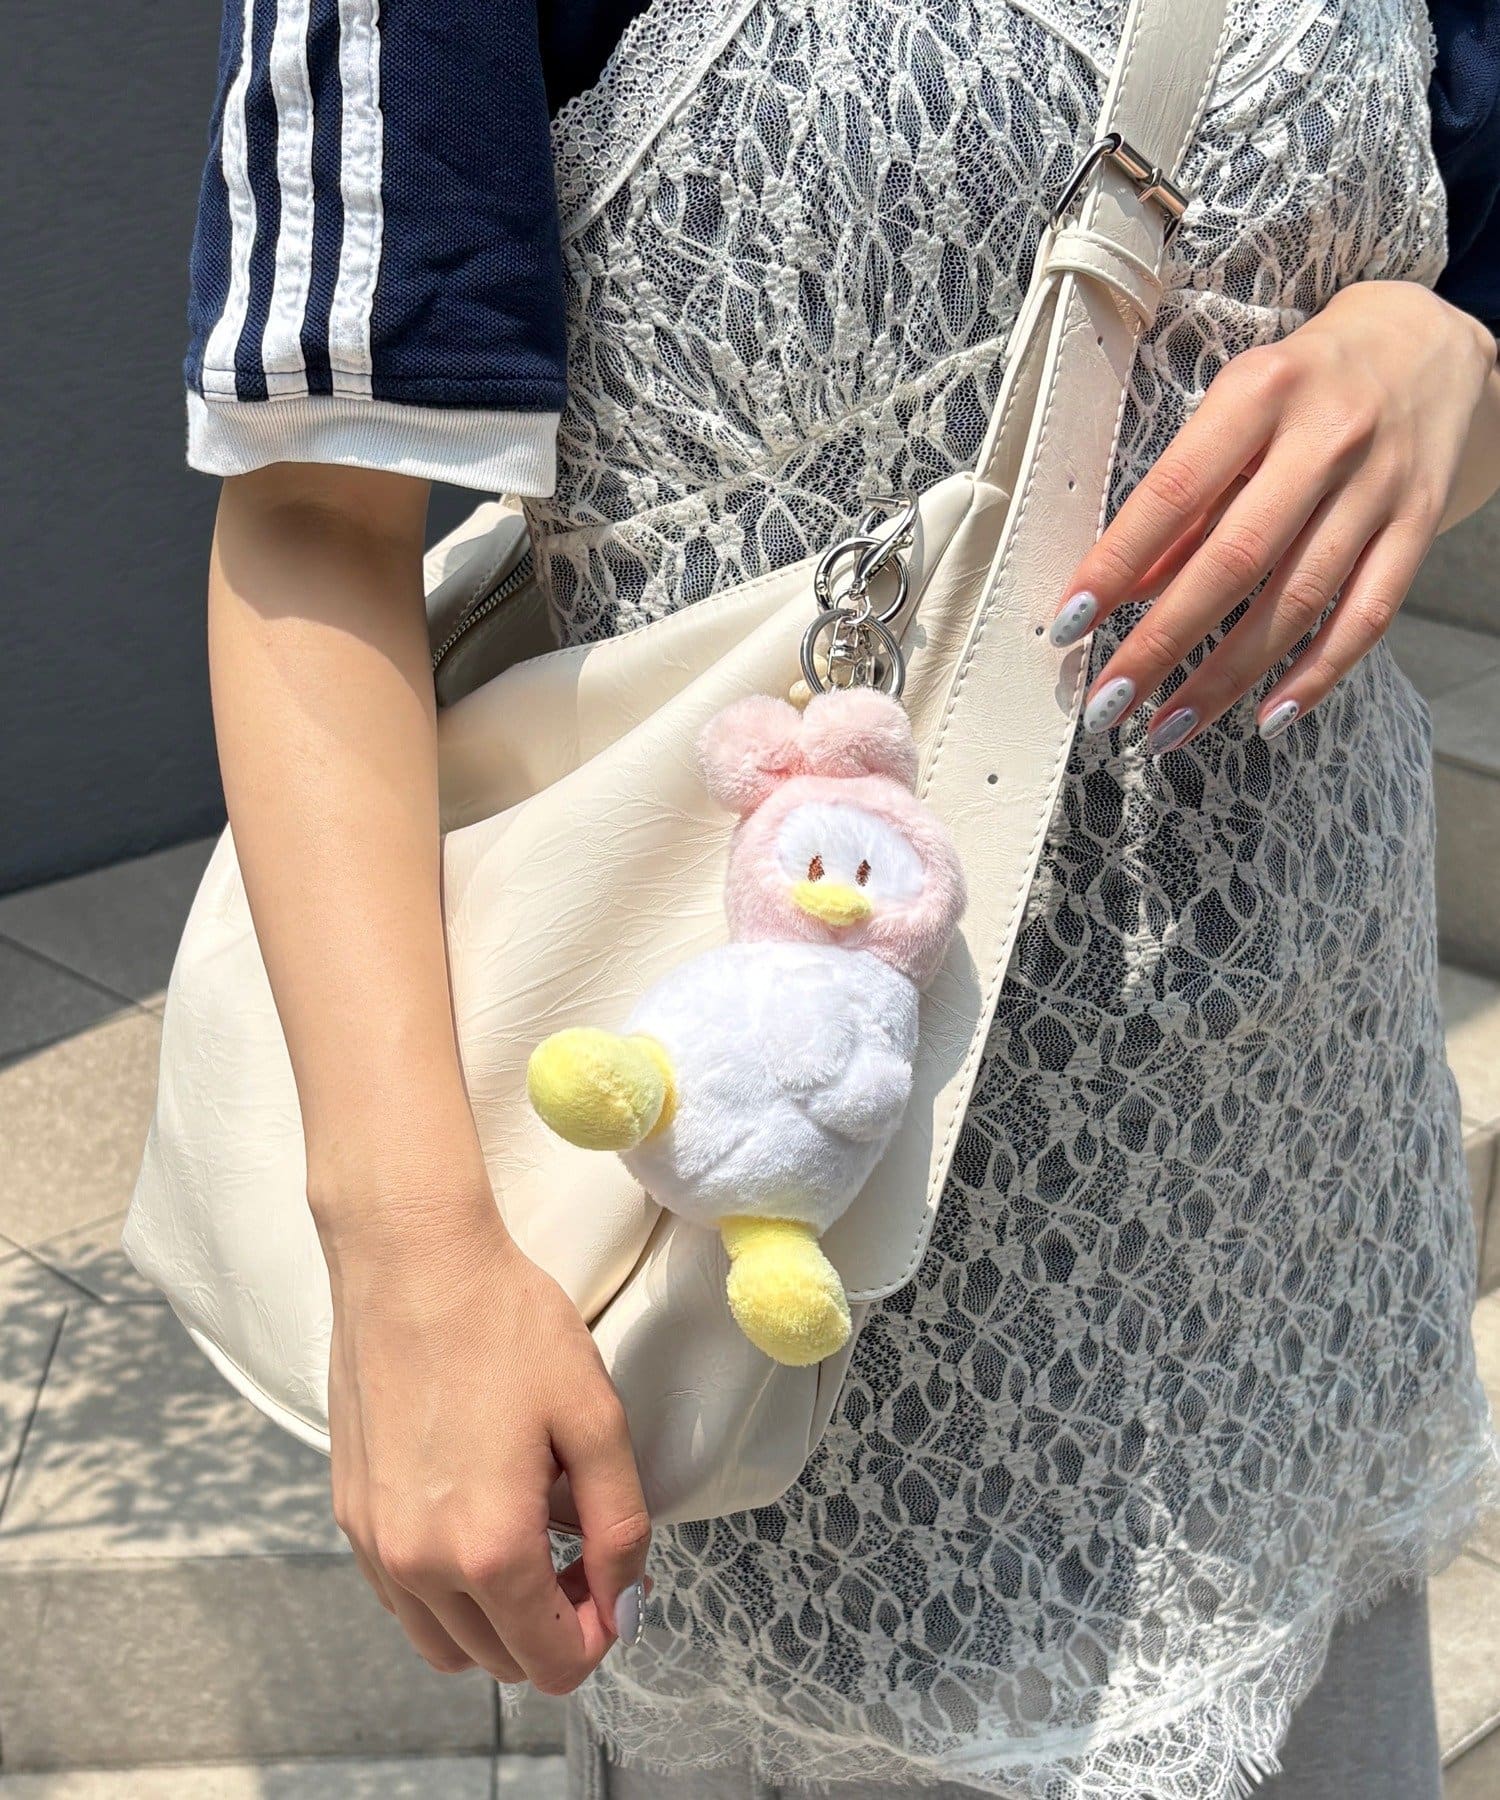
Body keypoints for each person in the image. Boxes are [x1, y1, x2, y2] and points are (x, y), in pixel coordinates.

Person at [181, 2, 1500, 1795]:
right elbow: (314, 512)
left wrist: (1447, 359)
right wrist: (408, 1252)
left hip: (1299, 1196)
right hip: (823, 1352)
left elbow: (1469, 305)